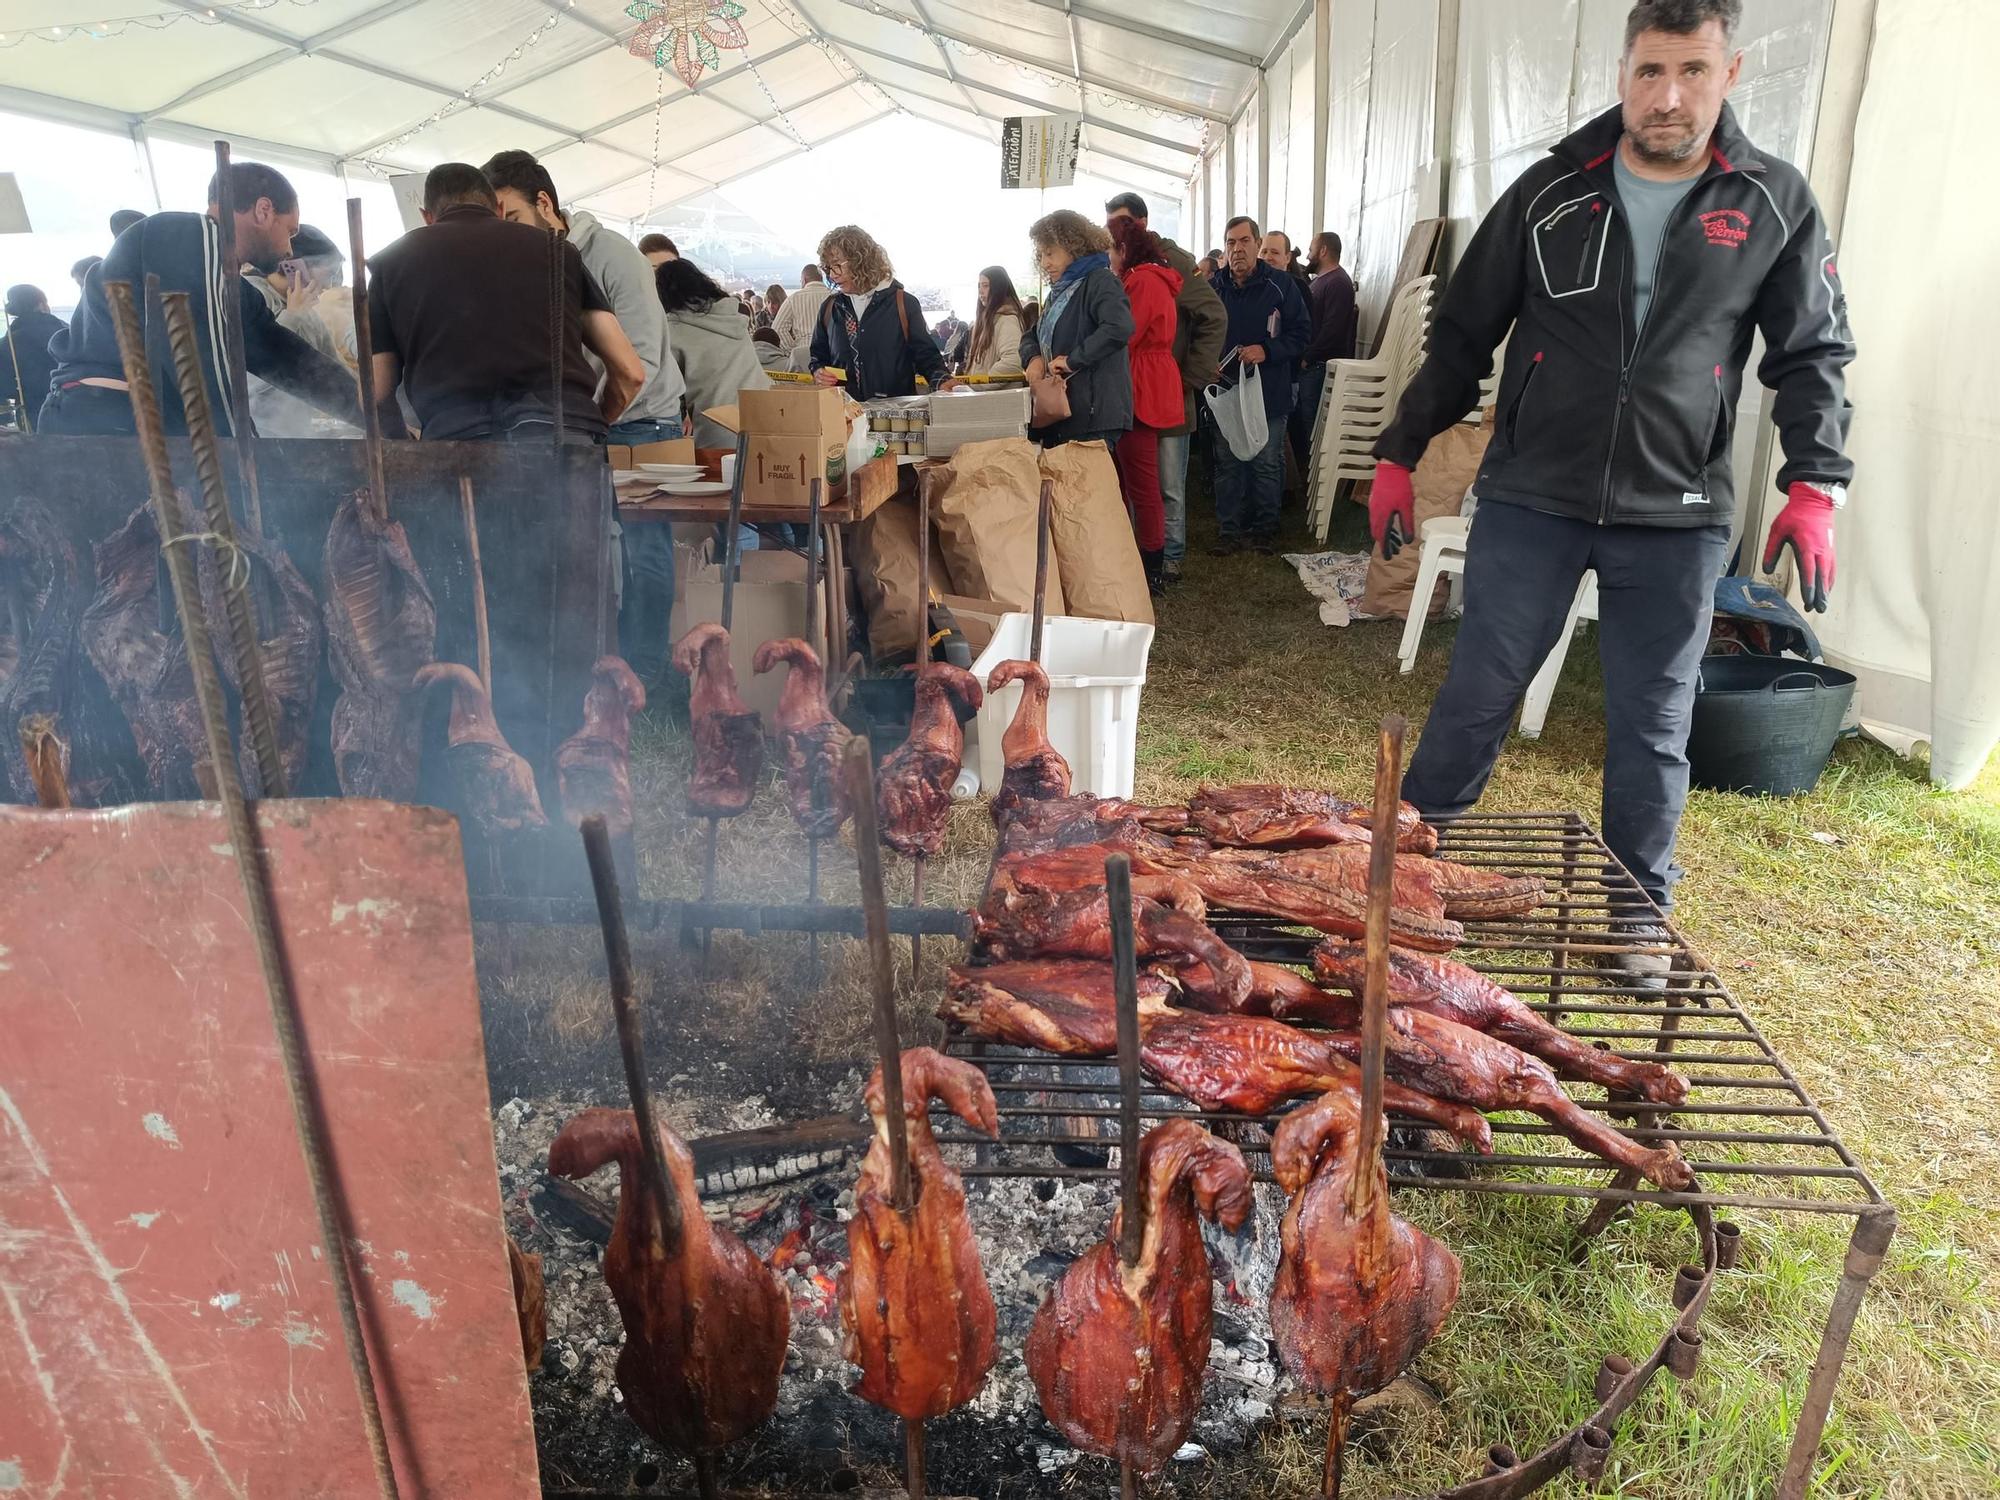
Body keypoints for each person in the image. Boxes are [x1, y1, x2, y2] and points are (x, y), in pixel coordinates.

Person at [1369, 0, 1854, 950]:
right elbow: (1463, 333)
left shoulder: (1771, 201)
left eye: (1694, 73)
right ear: (1621, 71)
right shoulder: (1553, 187)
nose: (1668, 98)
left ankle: (1637, 917)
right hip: (1531, 497)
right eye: (1649, 73)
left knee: (1653, 722)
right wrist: (1398, 450)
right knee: (1479, 693)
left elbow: (1813, 354)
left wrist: (1815, 485)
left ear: (1732, 73)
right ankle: (1413, 879)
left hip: (1676, 517)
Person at [41, 163, 360, 437]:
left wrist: (377, 419)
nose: (290, 249)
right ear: (264, 211)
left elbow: (291, 362)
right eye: (289, 231)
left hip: (139, 425)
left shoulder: (235, 291)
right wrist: (249, 463)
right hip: (101, 421)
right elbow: (202, 374)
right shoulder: (187, 234)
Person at [367, 163, 642, 443]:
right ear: (498, 209)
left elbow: (375, 392)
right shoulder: (558, 251)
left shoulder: (391, 264)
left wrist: (401, 440)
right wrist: (591, 423)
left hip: (459, 445)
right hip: (566, 434)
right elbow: (631, 373)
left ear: (427, 217)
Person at [482, 149, 686, 450]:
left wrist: (592, 422)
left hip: (639, 427)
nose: (508, 236)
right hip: (577, 428)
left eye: (514, 219)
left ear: (543, 203)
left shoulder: (615, 255)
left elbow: (642, 360)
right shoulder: (522, 266)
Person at [1106, 191, 1225, 588]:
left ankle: (1168, 561)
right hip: (1142, 389)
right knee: (1142, 482)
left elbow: (1213, 315)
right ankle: (1147, 559)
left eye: (1122, 223)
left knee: (1169, 486)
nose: (1115, 231)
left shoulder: (1166, 264)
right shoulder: (1123, 268)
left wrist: (1189, 376)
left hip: (1163, 391)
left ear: (1140, 223)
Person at [1207, 215, 1310, 553]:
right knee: (1228, 460)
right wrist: (1204, 363)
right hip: (1226, 391)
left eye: (1244, 241)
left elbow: (1301, 334)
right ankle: (1229, 529)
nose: (1237, 249)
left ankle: (1266, 528)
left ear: (1256, 243)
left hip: (1269, 390)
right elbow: (1198, 333)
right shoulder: (1213, 288)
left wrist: (1267, 350)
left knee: (1267, 460)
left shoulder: (1281, 286)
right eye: (1231, 243)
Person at [1106, 216, 1183, 594]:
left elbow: (1125, 335)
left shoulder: (1142, 280)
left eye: (1110, 248)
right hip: (1146, 380)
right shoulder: (1151, 277)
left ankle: (1151, 569)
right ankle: (1144, 561)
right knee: (1138, 480)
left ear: (1123, 249)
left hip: (1140, 386)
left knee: (1142, 484)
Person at [1020, 210, 1133, 449]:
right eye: (1041, 255)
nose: (1044, 263)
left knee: (1087, 485)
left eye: (1050, 253)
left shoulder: (1100, 281)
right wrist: (1034, 357)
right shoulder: (1059, 292)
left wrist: (1073, 360)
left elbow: (1119, 327)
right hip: (1063, 413)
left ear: (1073, 247)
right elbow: (1033, 334)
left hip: (1093, 414)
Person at [808, 225, 955, 399]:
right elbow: (818, 356)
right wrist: (818, 371)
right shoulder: (829, 307)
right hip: (844, 416)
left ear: (861, 261)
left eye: (837, 266)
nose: (832, 275)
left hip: (895, 420)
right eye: (828, 268)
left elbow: (926, 355)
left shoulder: (904, 303)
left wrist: (942, 379)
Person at [242, 223, 357, 437]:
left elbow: (335, 371)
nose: (331, 283)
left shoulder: (308, 313)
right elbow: (253, 379)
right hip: (261, 437)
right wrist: (294, 316)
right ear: (293, 266)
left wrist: (372, 407)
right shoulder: (251, 296)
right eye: (330, 272)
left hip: (298, 431)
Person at [655, 257, 770, 446]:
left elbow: (667, 397)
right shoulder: (731, 318)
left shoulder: (673, 331)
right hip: (767, 426)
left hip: (718, 435)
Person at [1292, 230, 1358, 475]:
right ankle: (1309, 471)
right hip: (1312, 363)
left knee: (1314, 423)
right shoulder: (1321, 280)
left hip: (1319, 365)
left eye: (1311, 249)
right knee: (1306, 420)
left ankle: (1318, 474)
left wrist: (1308, 358)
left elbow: (1333, 329)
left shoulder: (1338, 283)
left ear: (1322, 251)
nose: (1307, 254)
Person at [1, 286, 63, 432]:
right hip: (71, 404)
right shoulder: (66, 331)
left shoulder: (8, 343)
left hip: (33, 414)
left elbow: (4, 386)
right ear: (42, 304)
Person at [962, 266, 1024, 375]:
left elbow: (1013, 361)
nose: (980, 291)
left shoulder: (1007, 320)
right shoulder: (986, 321)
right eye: (979, 286)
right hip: (984, 391)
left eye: (986, 286)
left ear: (998, 288)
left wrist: (984, 383)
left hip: (995, 391)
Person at [771, 263, 830, 352]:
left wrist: (793, 349)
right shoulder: (834, 296)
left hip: (803, 352)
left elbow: (777, 328)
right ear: (821, 279)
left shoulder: (793, 299)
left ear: (804, 280)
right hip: (830, 351)